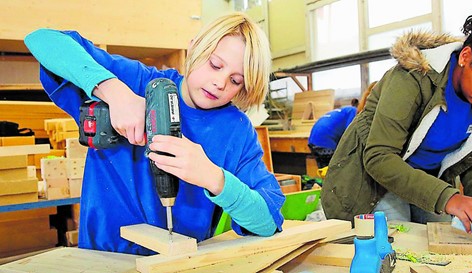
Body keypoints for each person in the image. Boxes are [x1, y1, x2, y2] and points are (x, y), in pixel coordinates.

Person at [24, 12, 285, 255]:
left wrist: (214, 178)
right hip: (102, 259)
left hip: (180, 263)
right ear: (194, 48)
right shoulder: (138, 82)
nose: (220, 82)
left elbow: (268, 221)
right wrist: (114, 92)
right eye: (215, 65)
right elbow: (42, 39)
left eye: (236, 80)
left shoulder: (236, 131)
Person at [321, 11, 472, 239]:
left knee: (446, 246)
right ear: (466, 56)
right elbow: (379, 157)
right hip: (375, 183)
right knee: (397, 246)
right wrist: (449, 198)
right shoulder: (412, 77)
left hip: (427, 182)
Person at [308, 82, 377, 170]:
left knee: (325, 170)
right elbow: (351, 133)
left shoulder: (346, 110)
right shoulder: (353, 112)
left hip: (313, 140)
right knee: (334, 171)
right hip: (325, 141)